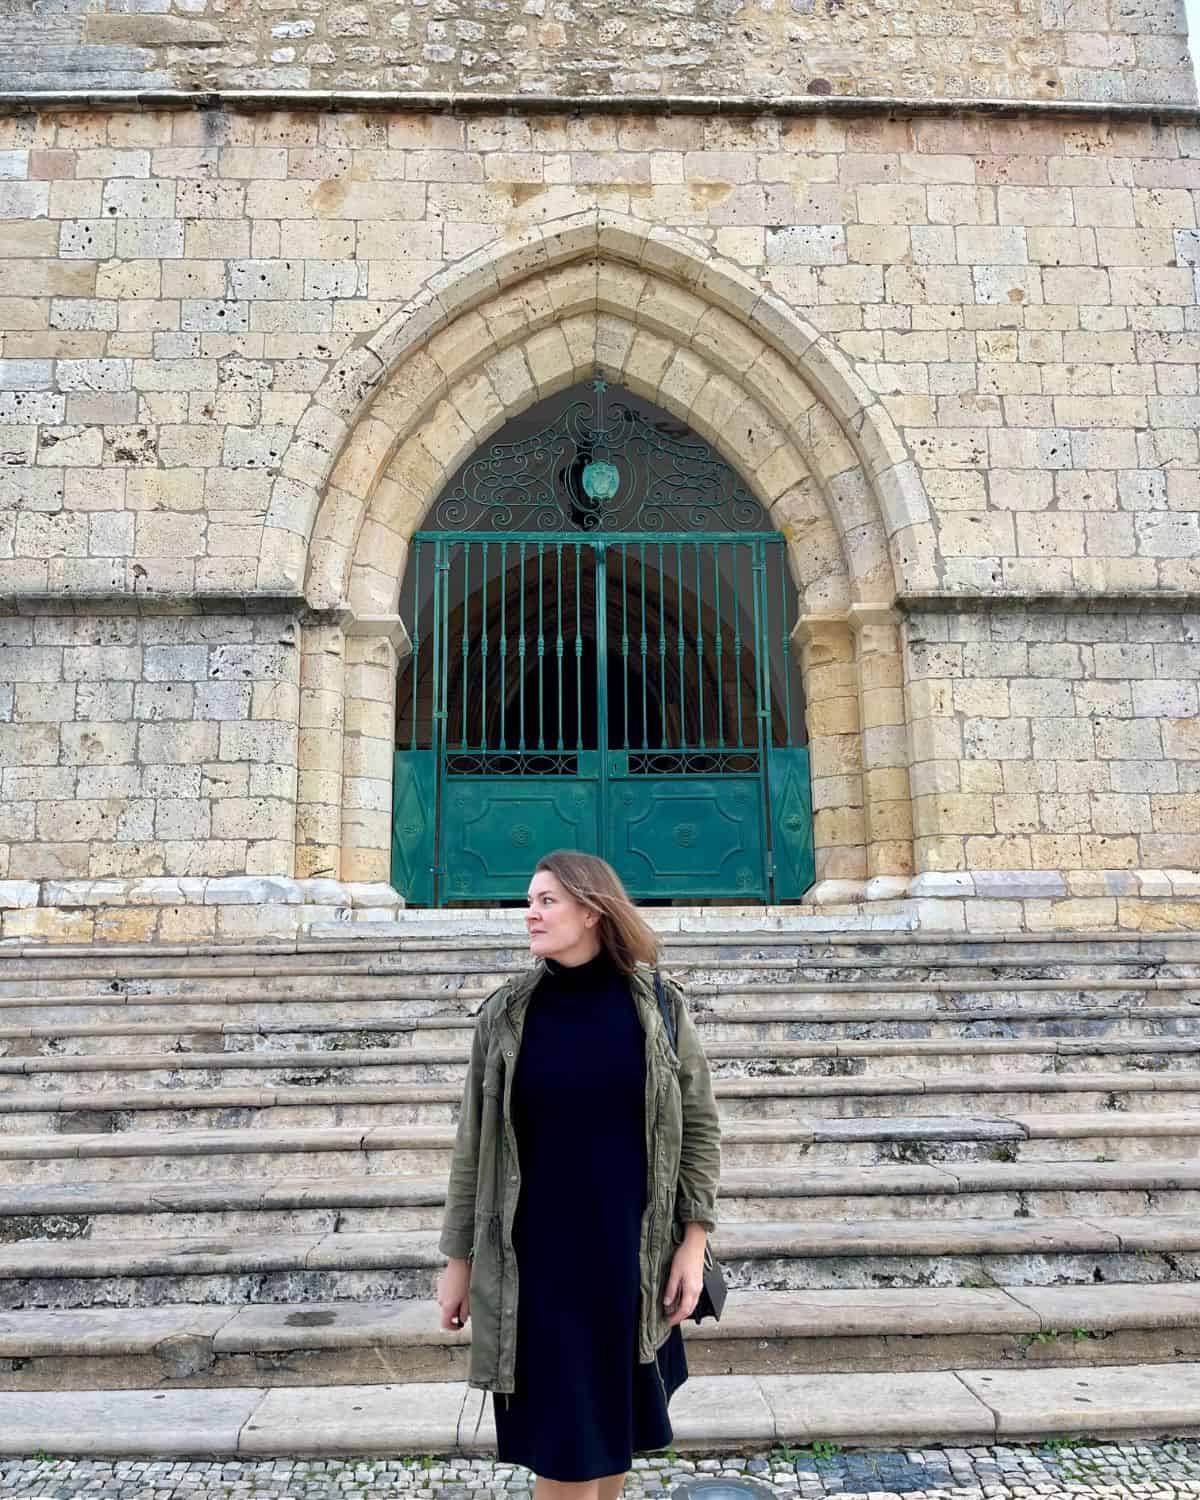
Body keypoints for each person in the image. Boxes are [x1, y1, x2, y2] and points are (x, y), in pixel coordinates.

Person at [435, 849, 722, 1500]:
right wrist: (459, 1261)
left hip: (632, 1258)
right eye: (529, 901)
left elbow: (701, 1127)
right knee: (565, 1455)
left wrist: (694, 1244)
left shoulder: (659, 1008)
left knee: (611, 1434)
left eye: (546, 901)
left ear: (592, 911)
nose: (529, 914)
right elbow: (472, 1148)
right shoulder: (506, 1015)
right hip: (540, 1269)